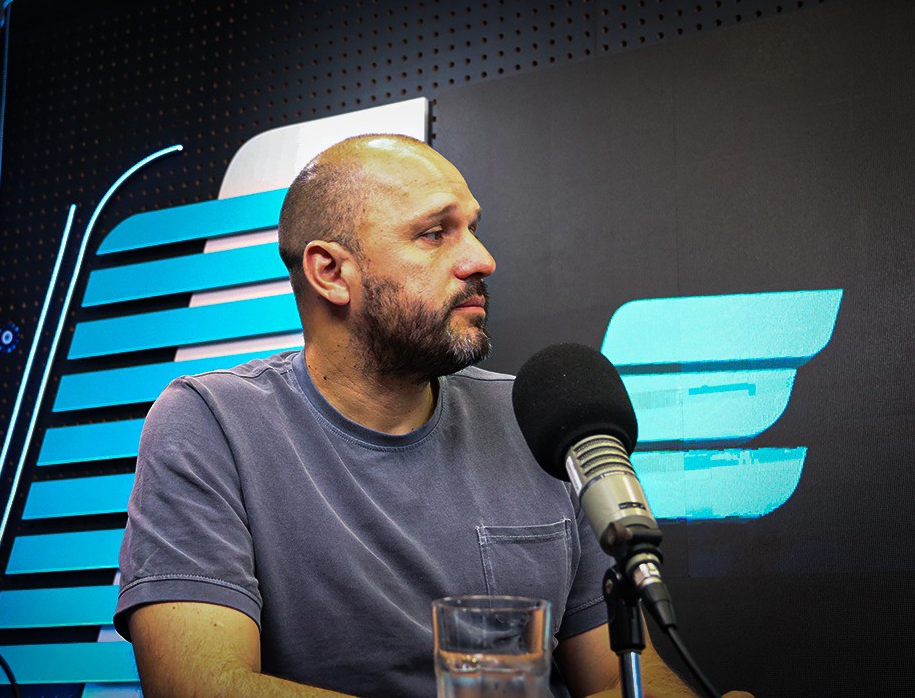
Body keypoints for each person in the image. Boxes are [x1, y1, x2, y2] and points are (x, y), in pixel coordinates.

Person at [114, 135, 725, 697]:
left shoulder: (537, 421)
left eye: (473, 229)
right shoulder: (213, 424)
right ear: (331, 272)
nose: (482, 259)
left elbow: (619, 679)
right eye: (435, 234)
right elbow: (200, 685)